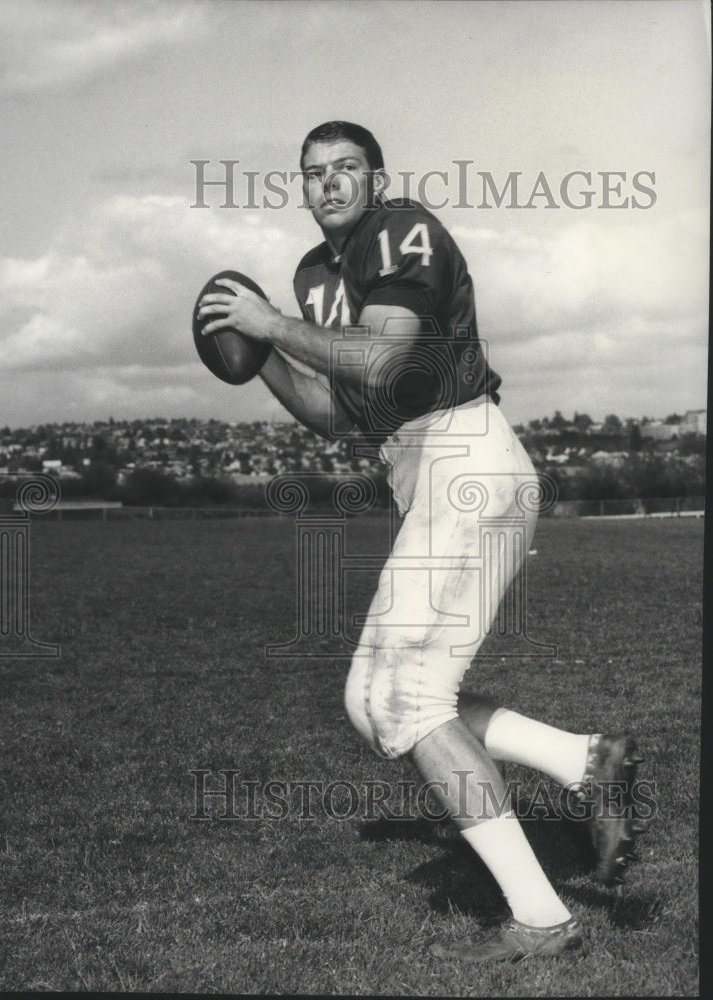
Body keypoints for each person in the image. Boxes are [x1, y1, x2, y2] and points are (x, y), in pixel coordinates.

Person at [196, 121, 644, 962]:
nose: (328, 185)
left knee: (409, 701)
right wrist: (261, 352)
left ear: (375, 179)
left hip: (464, 456)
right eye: (313, 174)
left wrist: (272, 322)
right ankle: (586, 759)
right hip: (425, 473)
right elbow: (339, 411)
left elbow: (385, 358)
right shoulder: (313, 276)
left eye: (345, 170)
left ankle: (542, 917)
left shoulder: (403, 230)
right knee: (372, 704)